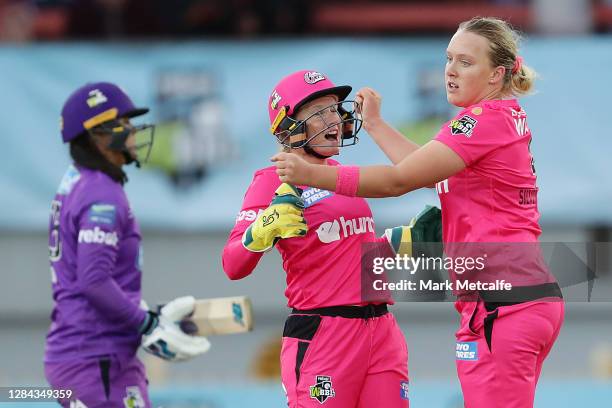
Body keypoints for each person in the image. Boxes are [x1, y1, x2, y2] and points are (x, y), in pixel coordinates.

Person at [271, 18, 565, 408]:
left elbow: (398, 182)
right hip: (523, 298)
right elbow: (423, 170)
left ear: (496, 74)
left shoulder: (481, 121)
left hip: (501, 304)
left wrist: (313, 175)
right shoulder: (500, 118)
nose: (450, 70)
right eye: (449, 59)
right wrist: (374, 125)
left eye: (465, 62)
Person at [222, 70, 428, 407]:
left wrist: (398, 242)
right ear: (289, 125)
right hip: (325, 334)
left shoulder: (339, 175)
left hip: (381, 331)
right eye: (320, 112)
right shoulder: (272, 179)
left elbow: (348, 258)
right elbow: (232, 264)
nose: (335, 119)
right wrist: (262, 229)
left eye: (335, 109)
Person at [45, 82, 210, 408]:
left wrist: (142, 312)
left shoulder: (78, 182)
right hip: (95, 359)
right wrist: (146, 322)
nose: (134, 131)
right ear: (98, 134)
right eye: (125, 123)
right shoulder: (100, 192)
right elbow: (93, 281)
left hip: (88, 355)